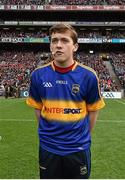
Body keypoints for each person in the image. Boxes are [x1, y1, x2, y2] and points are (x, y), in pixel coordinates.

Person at [26, 23, 105, 179]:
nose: (58, 45)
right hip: (48, 148)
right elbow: (37, 109)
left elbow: (93, 111)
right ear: (50, 46)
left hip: (78, 148)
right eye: (54, 41)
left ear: (75, 46)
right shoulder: (38, 75)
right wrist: (49, 135)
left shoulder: (88, 76)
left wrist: (81, 137)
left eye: (64, 40)